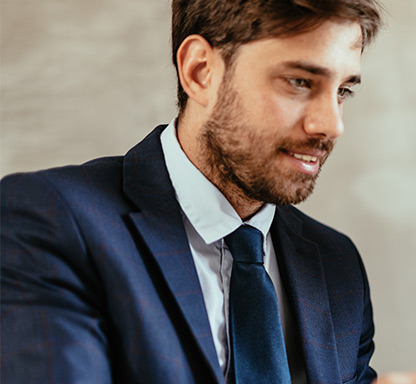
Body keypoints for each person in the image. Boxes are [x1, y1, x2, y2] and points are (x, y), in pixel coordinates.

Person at [0, 1, 391, 383]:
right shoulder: (49, 221)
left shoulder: (337, 265)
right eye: (300, 82)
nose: (331, 125)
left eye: (342, 91)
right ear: (200, 71)